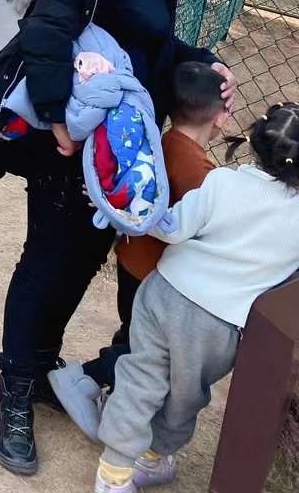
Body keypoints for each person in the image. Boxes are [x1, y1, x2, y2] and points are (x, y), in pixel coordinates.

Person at [0, 0, 236, 477]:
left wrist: (205, 60)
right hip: (71, 147)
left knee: (81, 258)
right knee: (48, 259)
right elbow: (44, 33)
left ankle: (40, 364)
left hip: (115, 153)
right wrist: (56, 117)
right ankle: (14, 386)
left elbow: (155, 48)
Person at [94, 101, 299, 493]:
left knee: (140, 377)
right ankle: (153, 457)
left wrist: (139, 212)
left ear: (256, 140)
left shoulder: (222, 182)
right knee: (185, 394)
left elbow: (173, 229)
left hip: (166, 294)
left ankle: (113, 471)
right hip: (220, 323)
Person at [48, 61, 229, 434]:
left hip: (132, 261)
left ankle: (112, 393)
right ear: (221, 118)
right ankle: (85, 378)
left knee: (133, 332)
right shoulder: (202, 175)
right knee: (146, 352)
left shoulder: (160, 143)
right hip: (155, 278)